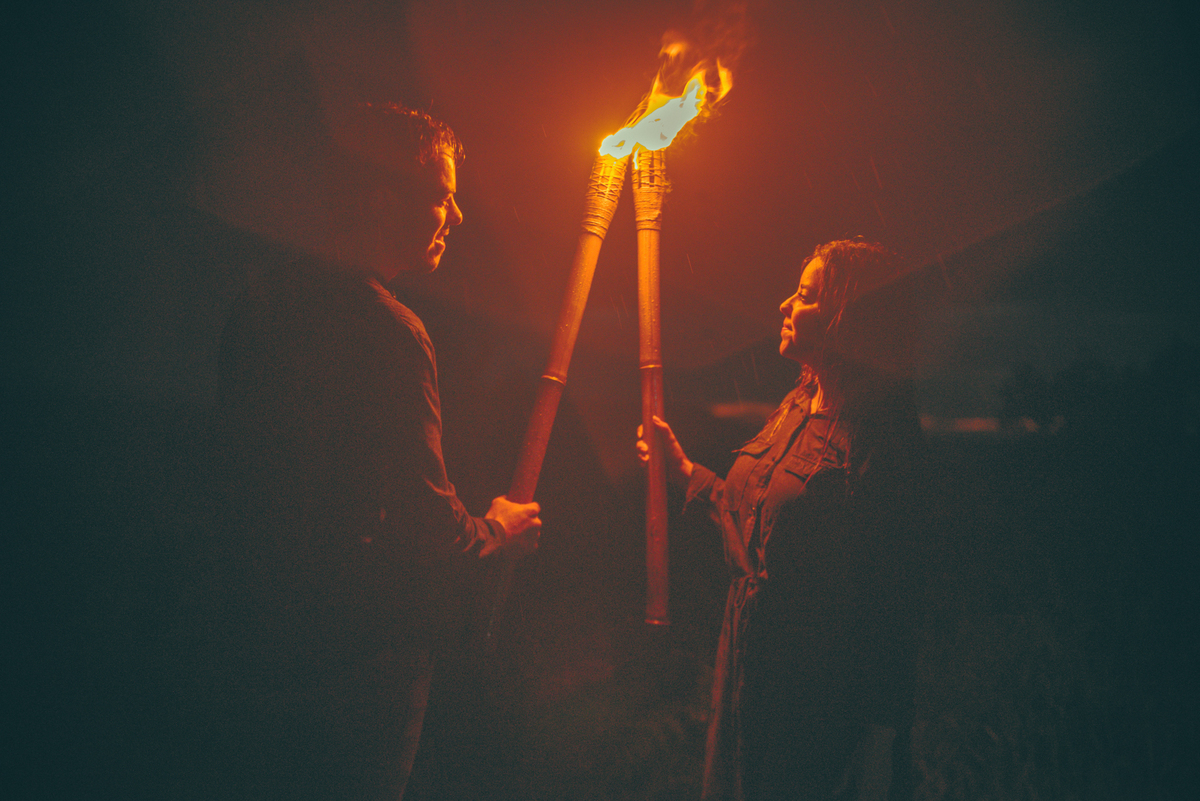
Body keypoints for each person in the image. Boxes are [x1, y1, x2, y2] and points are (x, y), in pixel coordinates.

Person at [212, 102, 541, 800]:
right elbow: (428, 527)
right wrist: (498, 532)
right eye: (443, 196)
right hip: (355, 666)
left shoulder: (259, 301)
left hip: (247, 647)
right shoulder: (390, 332)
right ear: (384, 196)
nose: (457, 216)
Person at [639, 239, 923, 800]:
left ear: (847, 318)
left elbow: (893, 601)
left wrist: (879, 742)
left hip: (815, 698)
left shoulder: (882, 435)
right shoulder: (795, 408)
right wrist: (683, 471)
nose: (785, 305)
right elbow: (754, 526)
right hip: (748, 673)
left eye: (806, 296)